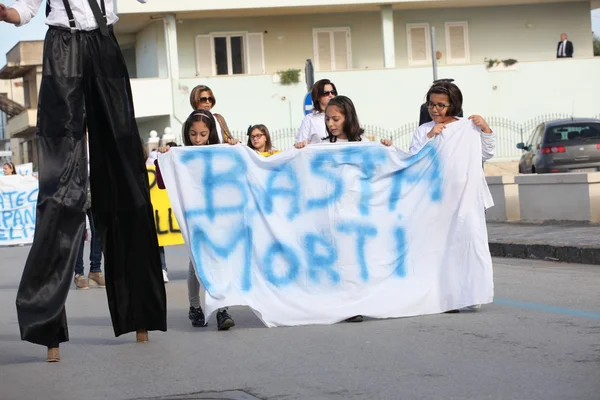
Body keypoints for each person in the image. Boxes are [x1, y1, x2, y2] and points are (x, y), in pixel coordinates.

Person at [1, 0, 167, 362]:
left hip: (104, 43)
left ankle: (140, 310)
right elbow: (25, 11)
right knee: (60, 180)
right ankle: (47, 325)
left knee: (125, 170)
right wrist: (5, 13)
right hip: (63, 46)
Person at [295, 95, 392, 323]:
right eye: (328, 119)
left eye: (336, 119)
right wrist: (301, 149)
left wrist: (386, 149)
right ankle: (341, 305)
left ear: (348, 117)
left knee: (355, 261)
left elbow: (381, 171)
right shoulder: (322, 146)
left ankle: (356, 303)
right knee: (336, 261)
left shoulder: (364, 143)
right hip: (331, 216)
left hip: (357, 215)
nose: (331, 124)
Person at [409, 81, 495, 313]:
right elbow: (414, 160)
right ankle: (444, 296)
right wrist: (429, 137)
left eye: (441, 105)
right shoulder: (423, 130)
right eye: (431, 105)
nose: (435, 110)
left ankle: (471, 293)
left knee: (470, 244)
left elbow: (487, 153)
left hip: (468, 199)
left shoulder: (468, 127)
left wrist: (485, 129)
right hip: (437, 201)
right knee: (440, 248)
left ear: (453, 105)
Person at [157, 110, 238, 331]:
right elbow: (162, 183)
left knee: (219, 260)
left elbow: (236, 172)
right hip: (193, 217)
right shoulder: (181, 154)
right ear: (187, 133)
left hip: (217, 215)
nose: (198, 139)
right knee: (196, 262)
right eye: (193, 134)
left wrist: (234, 149)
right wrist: (164, 158)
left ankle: (222, 308)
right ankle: (195, 307)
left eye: (203, 134)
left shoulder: (217, 152)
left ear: (211, 133)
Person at [74, 183, 104, 290]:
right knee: (80, 233)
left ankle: (95, 270)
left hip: (93, 190)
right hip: (76, 191)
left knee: (98, 230)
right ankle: (79, 273)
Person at [296, 79, 338, 144]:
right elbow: (300, 143)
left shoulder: (342, 115)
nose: (330, 95)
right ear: (318, 97)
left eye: (333, 92)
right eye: (326, 93)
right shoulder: (309, 119)